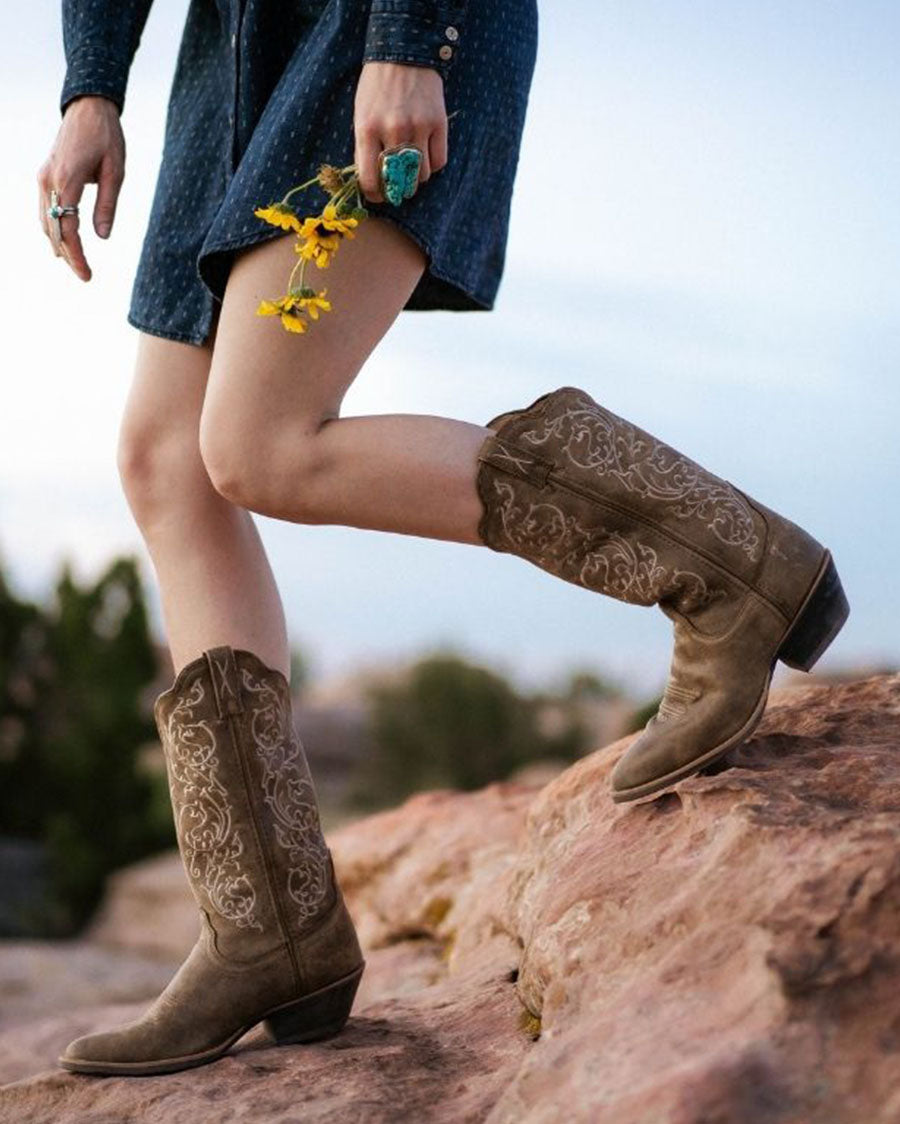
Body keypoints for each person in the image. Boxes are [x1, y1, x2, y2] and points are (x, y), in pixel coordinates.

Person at [39, 0, 848, 1078]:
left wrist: (405, 42)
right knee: (166, 458)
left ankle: (728, 566)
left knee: (260, 441)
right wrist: (91, 82)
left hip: (373, 28)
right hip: (232, 53)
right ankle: (267, 926)